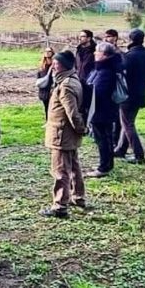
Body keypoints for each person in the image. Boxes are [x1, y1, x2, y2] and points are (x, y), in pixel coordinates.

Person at [40, 50, 87, 218]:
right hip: (67, 134)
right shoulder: (70, 80)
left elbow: (72, 113)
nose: (53, 64)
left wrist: (81, 129)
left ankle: (59, 206)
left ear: (65, 66)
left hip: (61, 134)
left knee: (60, 171)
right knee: (74, 167)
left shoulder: (66, 85)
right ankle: (78, 197)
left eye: (56, 63)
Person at [115, 29, 145, 164]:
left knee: (128, 124)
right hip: (141, 94)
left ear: (130, 40)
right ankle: (121, 149)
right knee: (127, 122)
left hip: (128, 96)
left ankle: (139, 156)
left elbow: (122, 74)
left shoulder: (129, 56)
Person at [85, 42, 122, 178]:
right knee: (106, 138)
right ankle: (107, 164)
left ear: (105, 55)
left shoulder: (106, 71)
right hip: (105, 110)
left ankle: (103, 167)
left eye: (97, 51)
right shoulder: (106, 68)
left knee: (102, 139)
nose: (95, 53)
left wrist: (85, 88)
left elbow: (99, 93)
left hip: (102, 111)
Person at [76, 30, 97, 122]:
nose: (80, 38)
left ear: (89, 38)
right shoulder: (78, 50)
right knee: (80, 104)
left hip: (90, 82)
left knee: (90, 105)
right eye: (79, 36)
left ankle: (90, 125)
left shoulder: (95, 51)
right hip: (79, 81)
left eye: (83, 36)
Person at [36, 46, 55, 122]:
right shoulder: (42, 66)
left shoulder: (55, 64)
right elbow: (38, 77)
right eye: (46, 51)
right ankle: (48, 121)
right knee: (46, 106)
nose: (47, 53)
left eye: (49, 51)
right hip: (44, 90)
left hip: (52, 88)